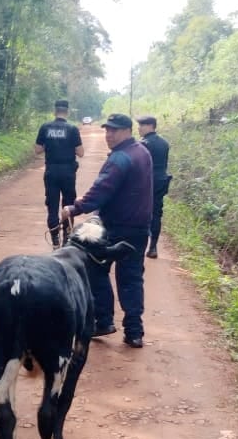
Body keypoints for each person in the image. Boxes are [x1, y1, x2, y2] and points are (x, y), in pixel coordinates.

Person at [60, 113, 153, 348]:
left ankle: (103, 320)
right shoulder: (143, 152)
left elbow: (102, 190)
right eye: (107, 130)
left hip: (116, 227)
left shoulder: (120, 158)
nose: (108, 135)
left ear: (127, 131)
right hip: (140, 228)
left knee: (95, 269)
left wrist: (75, 208)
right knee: (132, 278)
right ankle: (134, 332)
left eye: (114, 130)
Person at [36, 100, 84, 249]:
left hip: (51, 171)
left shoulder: (45, 127)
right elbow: (81, 152)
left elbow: (37, 150)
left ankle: (55, 240)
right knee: (68, 205)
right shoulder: (72, 129)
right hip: (68, 172)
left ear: (54, 111)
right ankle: (67, 239)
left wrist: (49, 146)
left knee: (52, 206)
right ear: (67, 112)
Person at [136, 115, 171, 259]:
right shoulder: (164, 143)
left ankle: (138, 246)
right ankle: (153, 247)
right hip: (161, 182)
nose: (139, 128)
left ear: (150, 126)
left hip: (146, 183)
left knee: (140, 212)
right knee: (156, 214)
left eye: (141, 125)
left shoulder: (143, 144)